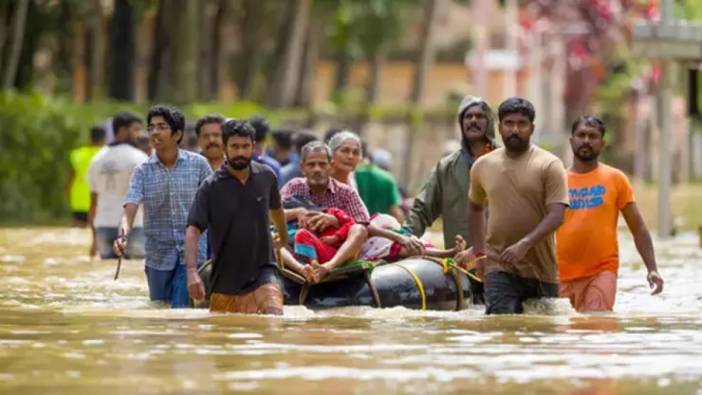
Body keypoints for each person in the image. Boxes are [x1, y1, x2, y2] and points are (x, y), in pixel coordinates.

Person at [457, 97, 569, 315]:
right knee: (502, 328)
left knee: (542, 336)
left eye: (521, 124)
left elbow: (557, 215)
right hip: (499, 267)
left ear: (532, 128)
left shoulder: (549, 164)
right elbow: (475, 208)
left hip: (542, 270)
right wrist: (480, 253)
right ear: (499, 127)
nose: (515, 130)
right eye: (509, 123)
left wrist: (525, 244)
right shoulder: (483, 165)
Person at [557, 115, 664, 312]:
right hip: (560, 273)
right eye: (581, 135)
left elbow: (638, 228)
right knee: (566, 336)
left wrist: (652, 269)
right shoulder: (556, 180)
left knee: (598, 323)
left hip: (602, 270)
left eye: (593, 136)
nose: (586, 140)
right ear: (572, 140)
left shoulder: (616, 179)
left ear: (603, 143)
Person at [185, 120, 288, 315]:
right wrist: (191, 272)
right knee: (225, 334)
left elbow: (276, 209)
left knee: (274, 321)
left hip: (264, 272)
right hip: (225, 279)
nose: (240, 152)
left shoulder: (267, 177)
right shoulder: (211, 186)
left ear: (253, 147)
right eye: (234, 146)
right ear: (225, 148)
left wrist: (283, 240)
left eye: (245, 146)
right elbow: (193, 229)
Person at [114, 105, 212, 308]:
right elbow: (130, 208)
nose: (154, 132)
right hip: (157, 256)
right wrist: (122, 236)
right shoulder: (142, 170)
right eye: (151, 128)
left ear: (177, 134)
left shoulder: (199, 165)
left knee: (180, 310)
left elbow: (216, 205)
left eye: (161, 127)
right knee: (159, 310)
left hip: (192, 255)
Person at [404, 96, 497, 250]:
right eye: (468, 116)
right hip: (460, 263)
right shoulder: (447, 167)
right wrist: (404, 236)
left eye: (480, 116)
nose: (473, 120)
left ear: (489, 122)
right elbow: (422, 209)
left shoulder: (505, 163)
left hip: (501, 264)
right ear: (461, 123)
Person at [279, 141, 370, 283]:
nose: (317, 169)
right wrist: (297, 212)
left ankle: (326, 268)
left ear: (331, 167)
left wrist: (334, 220)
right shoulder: (293, 186)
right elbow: (268, 216)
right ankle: (302, 270)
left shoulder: (346, 192)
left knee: (359, 229)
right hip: (295, 253)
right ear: (302, 168)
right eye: (311, 164)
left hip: (334, 255)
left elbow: (363, 225)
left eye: (322, 164)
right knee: (269, 237)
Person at [88, 112, 147, 259]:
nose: (139, 134)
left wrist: (94, 240)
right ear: (122, 130)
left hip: (103, 225)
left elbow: (93, 203)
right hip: (134, 226)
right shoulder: (139, 157)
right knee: (133, 274)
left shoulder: (96, 159)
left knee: (108, 276)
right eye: (136, 129)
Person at [354, 144, 405, 223]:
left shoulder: (352, 174)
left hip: (355, 228)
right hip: (380, 230)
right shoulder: (387, 178)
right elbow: (395, 211)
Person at [68, 126, 105, 227]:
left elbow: (70, 178)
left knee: (78, 230)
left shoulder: (77, 154)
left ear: (90, 137)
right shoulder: (107, 154)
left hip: (79, 200)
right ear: (104, 138)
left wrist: (69, 195)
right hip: (100, 201)